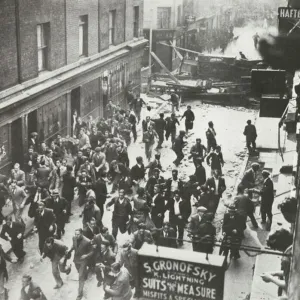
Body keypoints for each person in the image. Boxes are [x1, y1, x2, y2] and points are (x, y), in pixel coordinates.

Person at [68, 228, 94, 300]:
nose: (76, 236)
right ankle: (85, 275)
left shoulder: (87, 241)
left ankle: (80, 294)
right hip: (76, 259)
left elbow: (92, 251)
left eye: (78, 234)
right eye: (75, 234)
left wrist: (86, 255)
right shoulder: (74, 238)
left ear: (82, 233)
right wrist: (70, 250)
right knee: (80, 271)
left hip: (83, 261)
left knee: (80, 277)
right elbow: (74, 245)